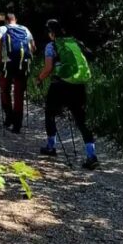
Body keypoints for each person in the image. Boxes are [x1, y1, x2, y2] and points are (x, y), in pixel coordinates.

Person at [36, 19, 99, 169]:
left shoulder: (51, 46)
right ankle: (91, 155)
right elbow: (91, 55)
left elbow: (48, 68)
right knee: (81, 120)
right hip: (78, 84)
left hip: (60, 84)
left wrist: (39, 79)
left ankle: (51, 146)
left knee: (50, 113)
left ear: (51, 33)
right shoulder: (74, 42)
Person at [0, 12, 35, 133]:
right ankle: (17, 125)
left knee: (5, 90)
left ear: (5, 20)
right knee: (19, 94)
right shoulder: (25, 29)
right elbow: (33, 47)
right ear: (15, 19)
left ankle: (9, 118)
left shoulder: (2, 28)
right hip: (22, 64)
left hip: (7, 63)